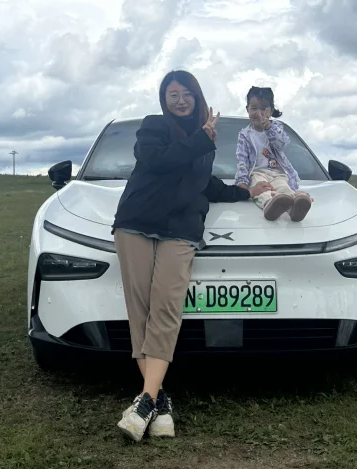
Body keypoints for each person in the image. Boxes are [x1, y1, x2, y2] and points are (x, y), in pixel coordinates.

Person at [112, 70, 261, 442]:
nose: (180, 100)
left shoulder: (202, 142)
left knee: (166, 307)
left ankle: (146, 402)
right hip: (137, 222)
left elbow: (203, 183)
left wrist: (244, 191)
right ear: (164, 100)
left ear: (197, 97)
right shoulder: (154, 127)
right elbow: (157, 161)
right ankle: (159, 404)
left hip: (181, 229)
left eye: (186, 94)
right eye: (172, 94)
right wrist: (201, 139)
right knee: (141, 310)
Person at [235, 85, 312, 222]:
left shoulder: (277, 128)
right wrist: (242, 183)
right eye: (254, 108)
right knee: (261, 190)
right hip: (257, 173)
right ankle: (269, 205)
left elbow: (282, 143)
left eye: (263, 108)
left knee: (284, 188)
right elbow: (242, 160)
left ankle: (294, 208)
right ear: (247, 109)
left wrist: (268, 128)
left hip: (278, 172)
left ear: (271, 110)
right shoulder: (245, 135)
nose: (258, 113)